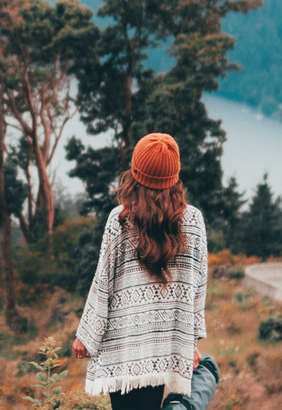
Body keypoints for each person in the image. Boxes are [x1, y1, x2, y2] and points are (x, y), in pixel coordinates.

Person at [70, 133, 211, 410]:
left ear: (135, 175)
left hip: (125, 347)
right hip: (164, 344)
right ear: (174, 177)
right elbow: (198, 286)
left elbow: (103, 282)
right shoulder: (193, 221)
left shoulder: (120, 219)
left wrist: (85, 336)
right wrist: (189, 341)